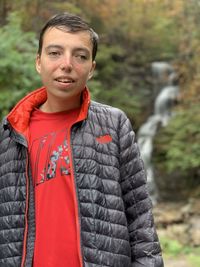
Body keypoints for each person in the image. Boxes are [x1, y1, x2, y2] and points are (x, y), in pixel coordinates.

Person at [0, 12, 164, 267]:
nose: (67, 64)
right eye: (54, 53)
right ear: (38, 62)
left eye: (80, 56)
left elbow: (140, 217)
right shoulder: (9, 132)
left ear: (91, 69)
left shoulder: (114, 124)